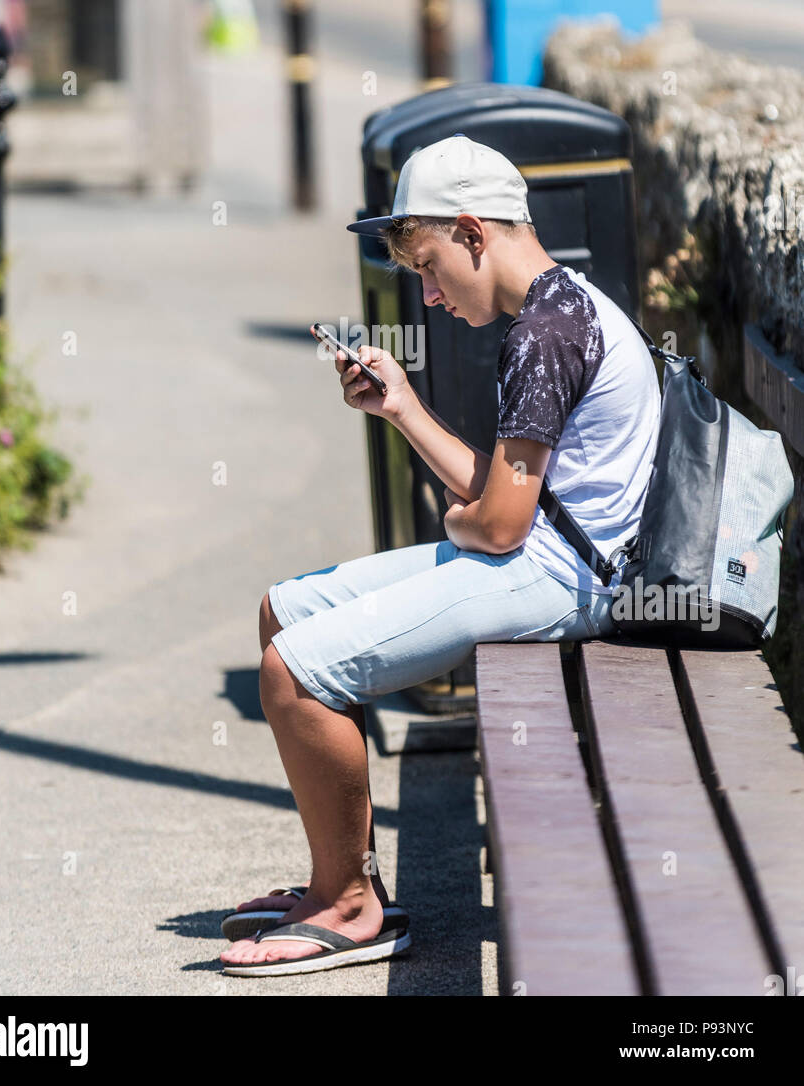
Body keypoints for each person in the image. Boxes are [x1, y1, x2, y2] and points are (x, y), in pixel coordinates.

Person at [220, 133, 661, 978]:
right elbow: (507, 498)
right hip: (543, 553)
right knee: (285, 607)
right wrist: (404, 410)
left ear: (471, 232)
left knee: (294, 672)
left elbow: (496, 525)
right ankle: (336, 878)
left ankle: (351, 906)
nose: (426, 296)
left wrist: (465, 522)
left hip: (566, 580)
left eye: (428, 266)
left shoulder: (546, 332)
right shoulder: (558, 307)